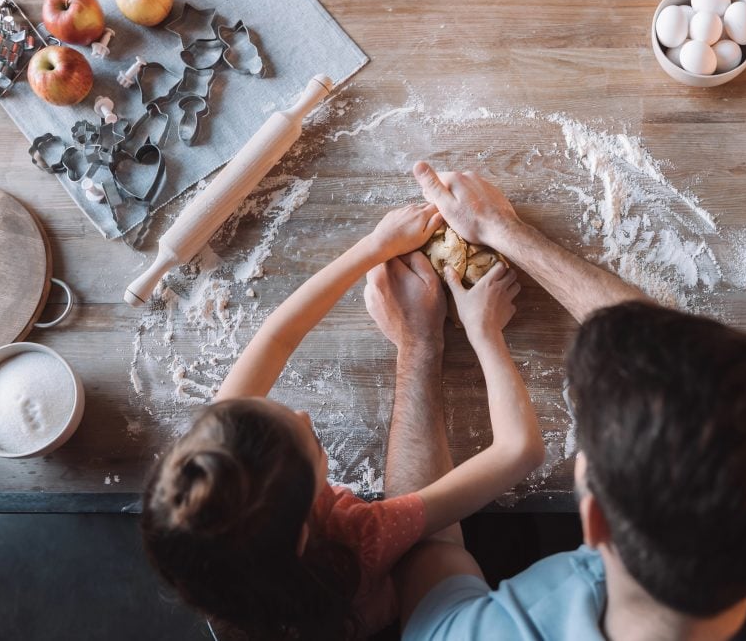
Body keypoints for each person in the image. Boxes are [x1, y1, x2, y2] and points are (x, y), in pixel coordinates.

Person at [389, 164, 746, 640]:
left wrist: (418, 344)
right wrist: (504, 230)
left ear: (595, 521)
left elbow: (424, 549)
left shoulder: (489, 633)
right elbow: (685, 369)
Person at [140, 203, 545, 640]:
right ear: (302, 529)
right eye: (309, 445)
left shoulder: (218, 469)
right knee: (432, 557)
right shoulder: (359, 540)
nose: (303, 415)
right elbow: (519, 449)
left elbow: (277, 337)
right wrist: (484, 331)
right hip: (350, 608)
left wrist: (375, 247)